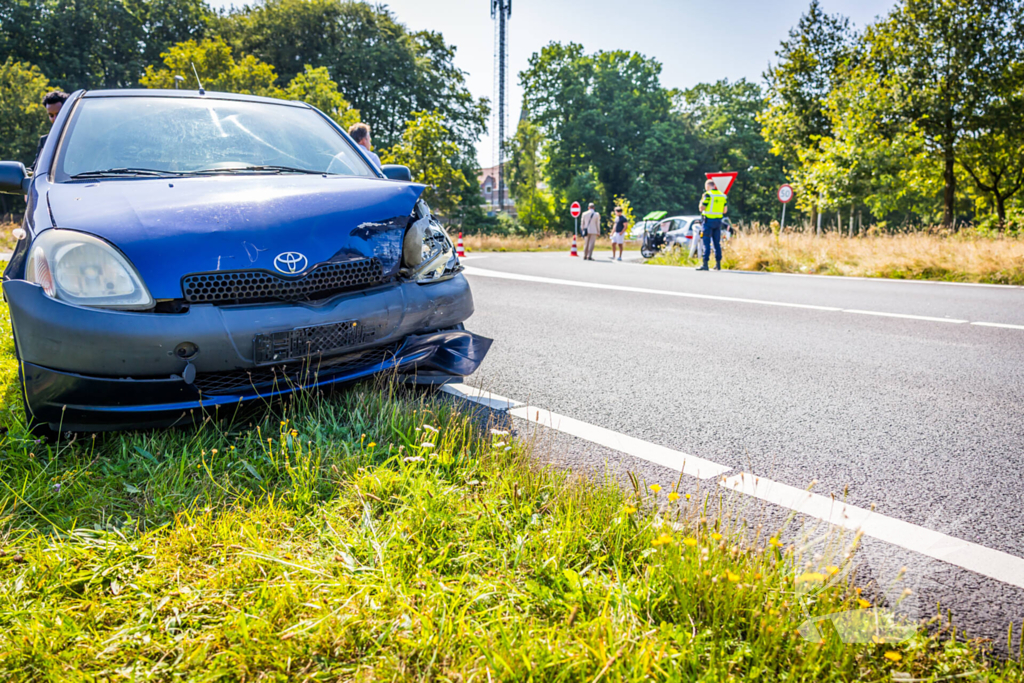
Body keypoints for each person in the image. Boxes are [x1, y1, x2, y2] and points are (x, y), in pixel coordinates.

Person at [30, 90, 70, 173]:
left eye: (58, 114)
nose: (55, 119)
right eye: (51, 115)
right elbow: (35, 169)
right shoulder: (45, 141)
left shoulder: (81, 139)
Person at [696, 179, 728, 271]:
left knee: (706, 243)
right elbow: (725, 210)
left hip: (708, 222)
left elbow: (701, 208)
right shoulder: (723, 196)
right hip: (718, 222)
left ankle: (705, 264)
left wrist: (702, 200)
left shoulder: (708, 195)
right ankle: (718, 264)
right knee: (716, 243)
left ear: (707, 186)